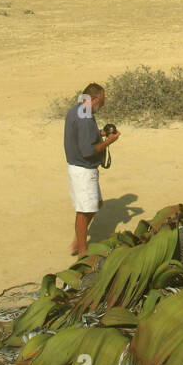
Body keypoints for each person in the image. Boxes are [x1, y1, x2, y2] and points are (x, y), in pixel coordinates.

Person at [64, 83, 120, 256]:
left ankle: (77, 242)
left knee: (95, 204)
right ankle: (82, 251)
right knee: (84, 211)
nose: (101, 106)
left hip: (79, 168)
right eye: (101, 102)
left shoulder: (77, 110)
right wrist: (109, 142)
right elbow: (88, 150)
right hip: (83, 171)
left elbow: (84, 136)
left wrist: (101, 132)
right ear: (93, 99)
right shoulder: (85, 118)